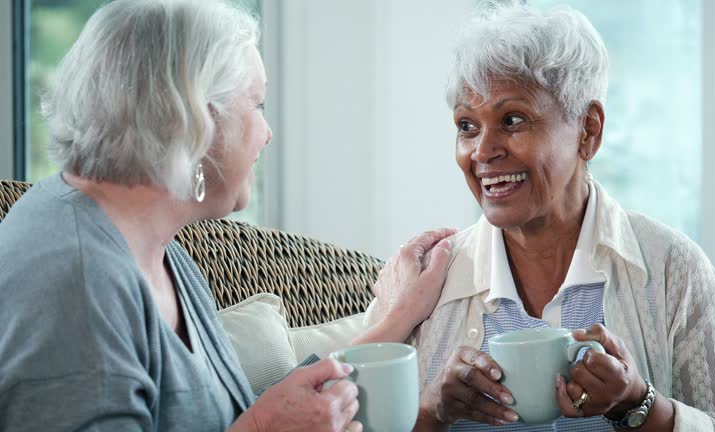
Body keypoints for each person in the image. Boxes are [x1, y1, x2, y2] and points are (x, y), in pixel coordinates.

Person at [0, 1, 456, 431]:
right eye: (255, 105)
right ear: (189, 121)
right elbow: (254, 421)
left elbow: (232, 414)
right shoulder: (75, 283)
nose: (267, 133)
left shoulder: (155, 246)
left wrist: (397, 317)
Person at [369, 2, 715, 431]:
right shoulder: (420, 286)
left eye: (512, 119)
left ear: (588, 130)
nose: (482, 152)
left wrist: (637, 403)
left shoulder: (673, 271)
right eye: (466, 126)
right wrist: (431, 414)